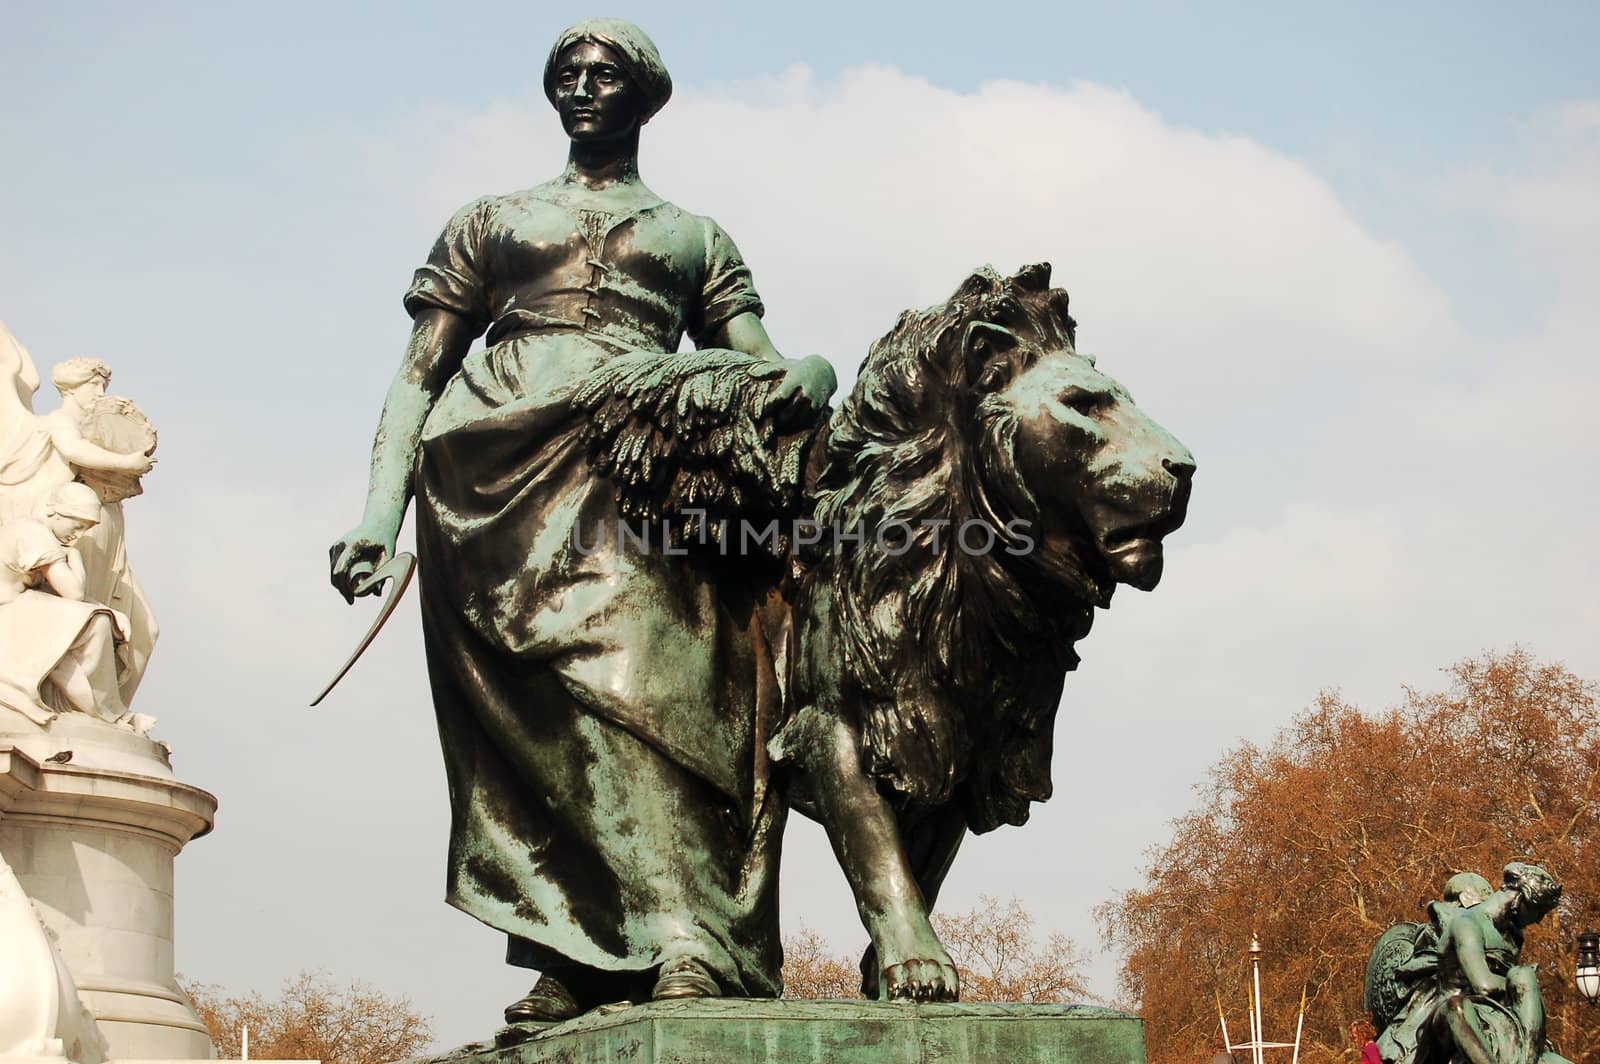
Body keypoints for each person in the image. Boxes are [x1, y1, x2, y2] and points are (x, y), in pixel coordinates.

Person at [329, 19, 835, 1022]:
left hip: (635, 468)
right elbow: (417, 376)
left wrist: (808, 377)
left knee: (655, 690)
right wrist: (377, 518)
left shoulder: (694, 235)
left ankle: (688, 932)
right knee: (542, 721)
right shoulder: (491, 219)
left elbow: (755, 357)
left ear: (646, 98)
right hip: (487, 484)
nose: (583, 86)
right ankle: (579, 944)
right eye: (568, 72)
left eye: (605, 73)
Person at [0, 482, 143, 732]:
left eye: (84, 529)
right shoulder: (34, 533)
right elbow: (73, 593)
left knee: (92, 622)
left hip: (16, 606)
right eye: (76, 525)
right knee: (93, 623)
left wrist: (110, 610)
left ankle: (105, 712)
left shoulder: (36, 534)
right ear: (56, 512)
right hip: (8, 609)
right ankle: (106, 714)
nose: (77, 536)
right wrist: (74, 558)